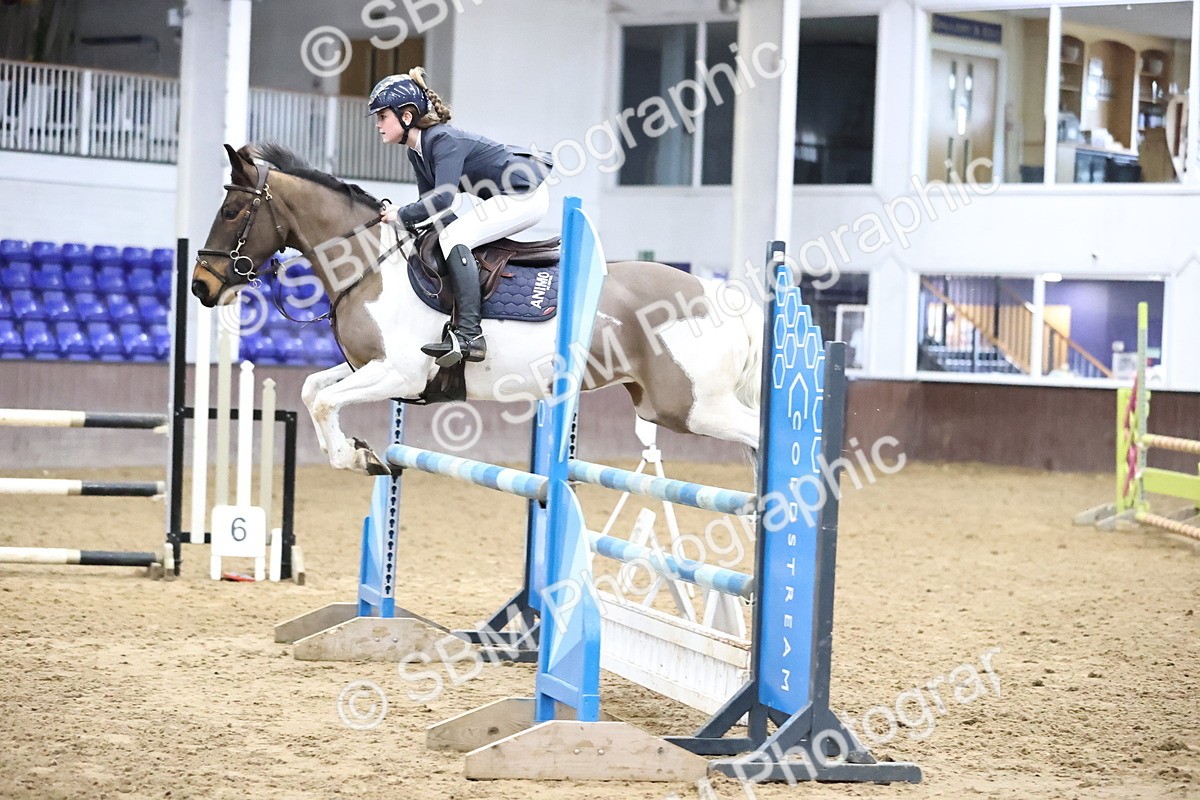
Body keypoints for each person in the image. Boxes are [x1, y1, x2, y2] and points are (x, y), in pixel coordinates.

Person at [369, 68, 553, 366]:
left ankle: (470, 335)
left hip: (525, 196)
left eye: (382, 117)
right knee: (447, 232)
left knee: (454, 237)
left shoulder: (442, 140)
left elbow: (443, 198)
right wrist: (405, 220)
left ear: (406, 116)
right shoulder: (416, 151)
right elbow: (431, 206)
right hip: (504, 197)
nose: (378, 124)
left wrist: (399, 214)